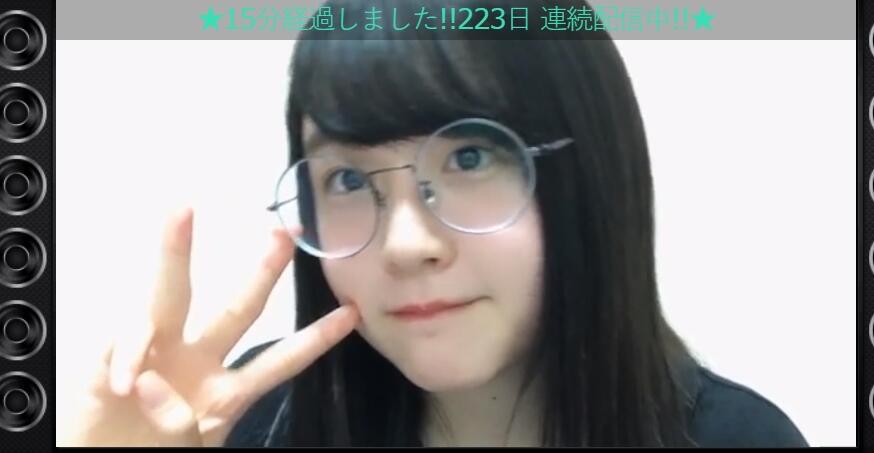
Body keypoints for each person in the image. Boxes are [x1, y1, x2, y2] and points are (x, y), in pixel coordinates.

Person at [66, 0, 809, 447]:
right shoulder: (253, 424)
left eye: (470, 158)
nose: (407, 245)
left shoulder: (739, 439)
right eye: (348, 179)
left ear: (587, 177)